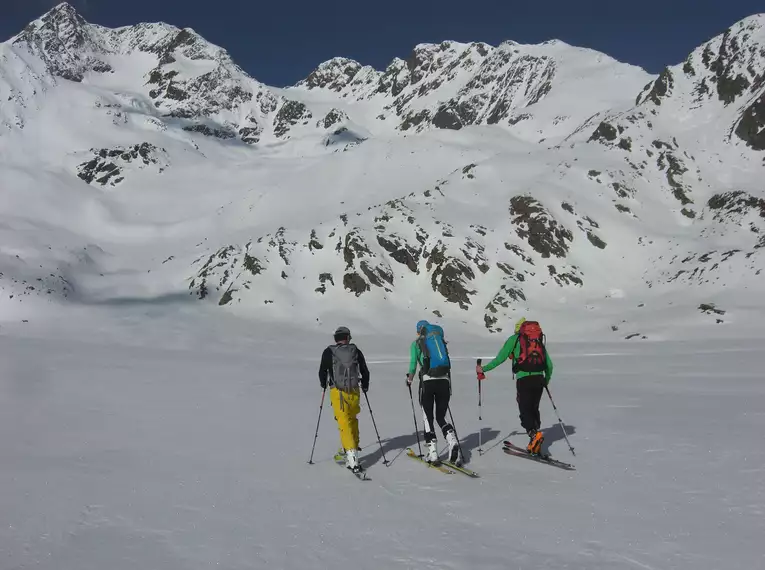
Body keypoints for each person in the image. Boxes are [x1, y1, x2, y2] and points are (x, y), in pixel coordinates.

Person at [476, 318, 554, 455]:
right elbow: (549, 365)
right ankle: (535, 439)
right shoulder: (537, 341)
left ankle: (533, 434)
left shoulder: (515, 339)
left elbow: (500, 358)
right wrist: (545, 380)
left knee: (524, 409)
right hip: (539, 379)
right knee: (534, 409)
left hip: (524, 379)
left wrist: (484, 369)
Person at [406, 320, 462, 465]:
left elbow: (413, 364)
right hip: (444, 381)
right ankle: (452, 441)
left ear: (419, 331)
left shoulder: (416, 343)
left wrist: (410, 379)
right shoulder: (439, 342)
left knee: (428, 417)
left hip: (427, 382)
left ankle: (433, 454)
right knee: (441, 417)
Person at [318, 326, 370, 473]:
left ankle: (351, 456)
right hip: (354, 391)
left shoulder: (329, 352)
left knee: (343, 421)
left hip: (337, 392)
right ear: (347, 337)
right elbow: (365, 370)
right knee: (352, 419)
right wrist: (365, 385)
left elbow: (322, 371)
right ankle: (350, 446)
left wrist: (323, 384)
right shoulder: (355, 351)